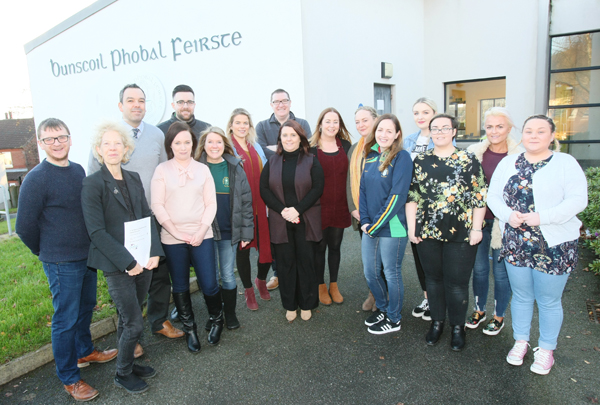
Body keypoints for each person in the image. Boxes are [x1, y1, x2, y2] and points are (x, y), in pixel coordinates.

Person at [16, 118, 117, 402]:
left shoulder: (77, 170)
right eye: (50, 139)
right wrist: (45, 251)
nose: (57, 143)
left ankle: (85, 351)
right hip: (61, 261)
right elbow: (24, 227)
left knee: (86, 308)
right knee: (65, 319)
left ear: (70, 139)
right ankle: (69, 378)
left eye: (61, 137)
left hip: (86, 255)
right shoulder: (36, 178)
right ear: (40, 143)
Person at [488, 115, 587, 375]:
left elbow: (578, 200)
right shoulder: (509, 163)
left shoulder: (565, 163)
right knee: (521, 295)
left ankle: (546, 350)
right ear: (522, 135)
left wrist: (542, 217)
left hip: (554, 244)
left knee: (548, 300)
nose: (533, 135)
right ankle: (521, 341)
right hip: (516, 241)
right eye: (529, 130)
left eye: (540, 131)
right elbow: (493, 196)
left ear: (552, 136)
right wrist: (508, 215)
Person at [88, 84, 183, 346]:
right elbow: (93, 177)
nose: (137, 105)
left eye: (141, 100)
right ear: (121, 106)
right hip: (118, 225)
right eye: (130, 100)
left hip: (151, 216)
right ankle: (131, 336)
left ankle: (158, 320)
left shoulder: (155, 134)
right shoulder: (110, 137)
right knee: (126, 281)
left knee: (159, 273)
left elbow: (165, 170)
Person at [82, 121, 163, 394]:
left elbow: (146, 215)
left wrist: (155, 252)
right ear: (98, 150)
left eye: (118, 143)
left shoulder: (133, 178)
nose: (113, 148)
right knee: (133, 321)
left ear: (126, 148)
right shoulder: (92, 184)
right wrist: (128, 262)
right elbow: (96, 232)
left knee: (131, 314)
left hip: (143, 259)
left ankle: (127, 362)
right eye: (107, 143)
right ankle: (122, 373)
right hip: (118, 264)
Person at [406, 113, 487, 351]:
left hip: (461, 232)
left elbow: (479, 197)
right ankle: (437, 322)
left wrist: (476, 228)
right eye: (435, 128)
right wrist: (412, 228)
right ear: (430, 132)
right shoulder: (420, 160)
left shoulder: (468, 159)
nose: (439, 132)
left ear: (454, 131)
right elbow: (412, 196)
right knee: (433, 280)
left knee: (457, 283)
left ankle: (457, 327)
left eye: (444, 128)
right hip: (427, 231)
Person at [151, 121, 223, 352]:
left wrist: (201, 230)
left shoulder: (203, 170)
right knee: (180, 286)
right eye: (177, 142)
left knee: (209, 284)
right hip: (173, 238)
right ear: (170, 145)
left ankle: (216, 319)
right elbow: (157, 205)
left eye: (187, 142)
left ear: (193, 144)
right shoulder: (162, 170)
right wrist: (176, 231)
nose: (183, 147)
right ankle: (190, 327)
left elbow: (211, 204)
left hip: (202, 234)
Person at [465, 107, 523, 335]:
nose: (494, 131)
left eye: (500, 126)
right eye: (489, 126)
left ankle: (499, 316)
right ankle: (479, 310)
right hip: (478, 222)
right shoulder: (474, 152)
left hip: (505, 223)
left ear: (509, 128)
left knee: (501, 273)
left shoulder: (520, 155)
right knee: (479, 270)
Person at [260, 120, 324, 322]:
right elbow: (264, 190)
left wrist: (297, 209)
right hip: (281, 221)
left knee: (306, 263)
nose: (289, 139)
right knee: (286, 265)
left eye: (293, 135)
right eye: (285, 135)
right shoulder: (272, 162)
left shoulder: (311, 160)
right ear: (280, 139)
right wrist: (283, 211)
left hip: (305, 219)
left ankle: (307, 304)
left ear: (300, 138)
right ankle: (290, 304)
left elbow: (317, 188)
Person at [195, 126, 254, 330]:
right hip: (205, 233)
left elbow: (246, 202)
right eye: (210, 142)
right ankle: (215, 314)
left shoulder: (235, 167)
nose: (214, 146)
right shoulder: (196, 168)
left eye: (218, 142)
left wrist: (246, 232)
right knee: (208, 276)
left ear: (224, 145)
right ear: (203, 145)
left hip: (229, 232)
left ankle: (230, 313)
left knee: (227, 274)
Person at [360, 114, 413, 334]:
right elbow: (362, 191)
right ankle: (382, 307)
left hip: (393, 227)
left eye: (389, 131)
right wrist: (364, 221)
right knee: (370, 272)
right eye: (380, 130)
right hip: (371, 227)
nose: (383, 135)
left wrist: (374, 225)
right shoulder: (371, 156)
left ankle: (394, 318)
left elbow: (397, 196)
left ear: (397, 134)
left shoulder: (402, 158)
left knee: (391, 272)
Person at [227, 108, 273, 310]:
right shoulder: (228, 148)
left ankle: (261, 280)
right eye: (238, 122)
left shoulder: (256, 146)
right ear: (231, 125)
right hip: (240, 207)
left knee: (267, 247)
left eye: (245, 123)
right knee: (243, 250)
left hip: (261, 205)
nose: (242, 126)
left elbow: (267, 170)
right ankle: (248, 291)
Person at [402, 97, 442, 322]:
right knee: (418, 255)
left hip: (435, 209)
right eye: (416, 113)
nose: (420, 117)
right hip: (413, 207)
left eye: (425, 112)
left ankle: (438, 299)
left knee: (435, 257)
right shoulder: (409, 140)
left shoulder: (443, 139)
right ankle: (427, 297)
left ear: (434, 113)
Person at [309, 107, 352, 305]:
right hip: (318, 207)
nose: (331, 125)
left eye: (336, 122)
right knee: (320, 247)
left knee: (335, 247)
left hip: (340, 205)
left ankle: (334, 284)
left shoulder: (345, 145)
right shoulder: (310, 149)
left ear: (340, 125)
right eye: (328, 121)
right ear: (320, 124)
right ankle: (320, 285)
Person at [348, 106, 381, 312]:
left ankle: (383, 295)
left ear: (376, 120)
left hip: (382, 211)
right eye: (357, 122)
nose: (361, 125)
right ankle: (373, 292)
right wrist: (353, 208)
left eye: (365, 120)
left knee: (385, 258)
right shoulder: (354, 148)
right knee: (370, 259)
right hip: (362, 213)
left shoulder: (384, 144)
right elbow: (349, 180)